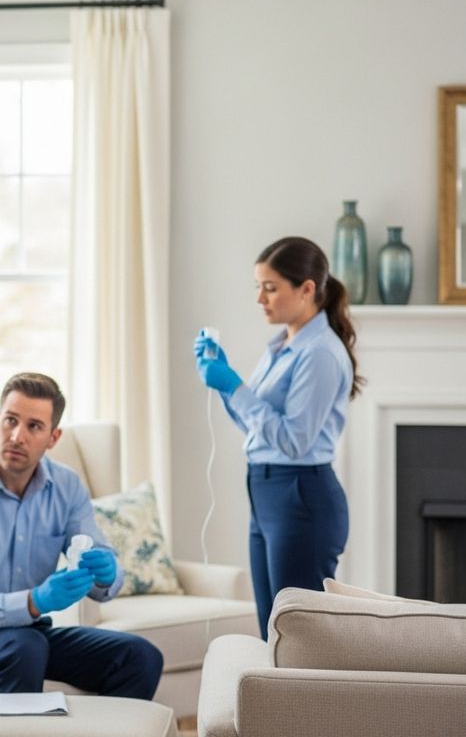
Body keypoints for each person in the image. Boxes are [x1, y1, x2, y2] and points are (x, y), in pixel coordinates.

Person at [0, 372, 164, 700]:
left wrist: (107, 574)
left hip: (26, 636)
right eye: (10, 421)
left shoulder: (66, 487)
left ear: (53, 437)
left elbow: (99, 561)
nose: (17, 436)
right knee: (24, 647)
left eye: (34, 427)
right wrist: (34, 601)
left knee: (139, 656)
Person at [194, 236, 362, 638]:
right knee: (273, 629)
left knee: (297, 634)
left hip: (300, 496)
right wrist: (224, 382)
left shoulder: (319, 352)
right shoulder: (281, 346)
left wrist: (235, 386)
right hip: (268, 493)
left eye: (270, 288)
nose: (260, 299)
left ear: (306, 289)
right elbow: (259, 426)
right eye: (258, 287)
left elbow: (294, 440)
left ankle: (311, 705)